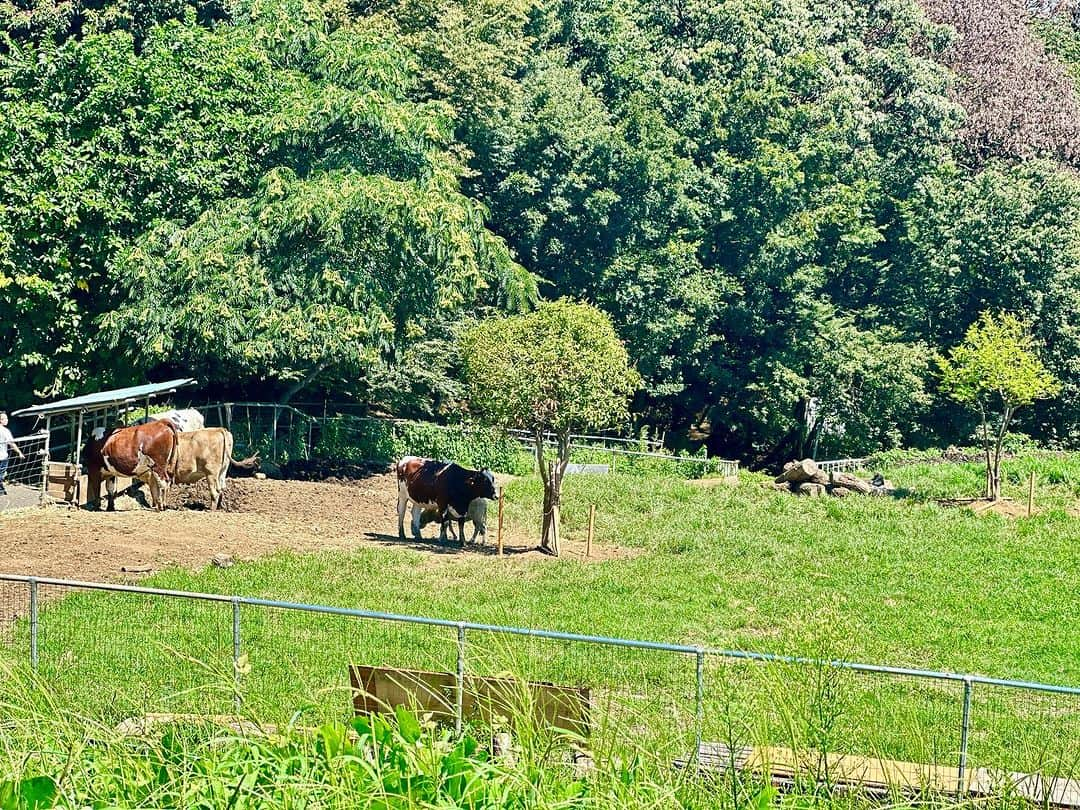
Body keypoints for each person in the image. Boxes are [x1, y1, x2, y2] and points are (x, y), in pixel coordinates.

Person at [0, 411, 25, 495]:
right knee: (1, 474)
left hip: (2, 455)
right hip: (2, 456)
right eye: (4, 419)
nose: (7, 420)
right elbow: (11, 443)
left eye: (7, 418)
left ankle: (1, 490)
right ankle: (1, 491)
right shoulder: (5, 431)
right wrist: (19, 452)